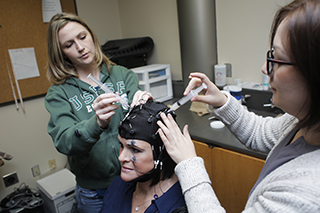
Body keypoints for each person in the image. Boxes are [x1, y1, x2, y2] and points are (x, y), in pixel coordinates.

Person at [157, 0, 320, 212]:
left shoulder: (307, 195)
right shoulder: (305, 120)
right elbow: (260, 134)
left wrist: (188, 163)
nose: (264, 68)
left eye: (277, 59)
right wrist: (222, 101)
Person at [44, 12, 148, 212]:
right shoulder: (59, 93)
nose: (80, 47)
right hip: (94, 191)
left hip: (133, 180)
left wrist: (144, 105)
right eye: (69, 45)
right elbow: (64, 141)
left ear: (91, 36)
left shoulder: (122, 75)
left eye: (82, 37)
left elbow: (140, 117)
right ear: (61, 53)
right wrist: (97, 123)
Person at [99, 100, 187, 213]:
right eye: (121, 145)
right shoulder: (118, 186)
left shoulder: (180, 206)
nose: (121, 157)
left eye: (135, 150)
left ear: (162, 153)